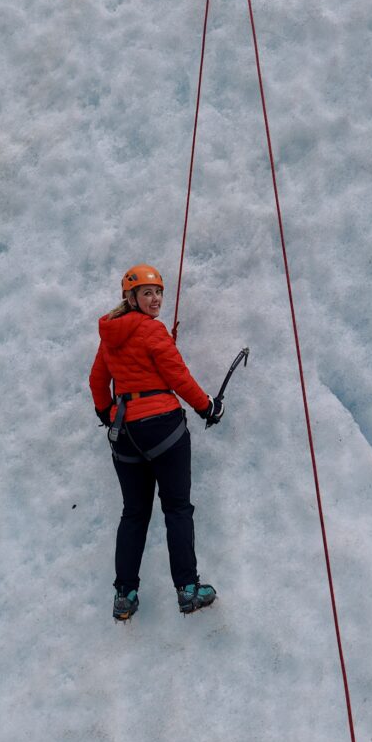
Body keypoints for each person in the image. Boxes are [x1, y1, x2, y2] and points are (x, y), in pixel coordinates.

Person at [89, 264, 224, 620]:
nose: (156, 299)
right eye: (147, 293)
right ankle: (188, 589)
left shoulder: (110, 335)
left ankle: (125, 594)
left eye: (159, 292)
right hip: (164, 428)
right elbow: (177, 376)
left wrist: (108, 413)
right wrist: (206, 406)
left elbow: (97, 381)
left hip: (126, 435)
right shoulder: (152, 331)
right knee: (177, 508)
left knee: (134, 513)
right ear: (130, 298)